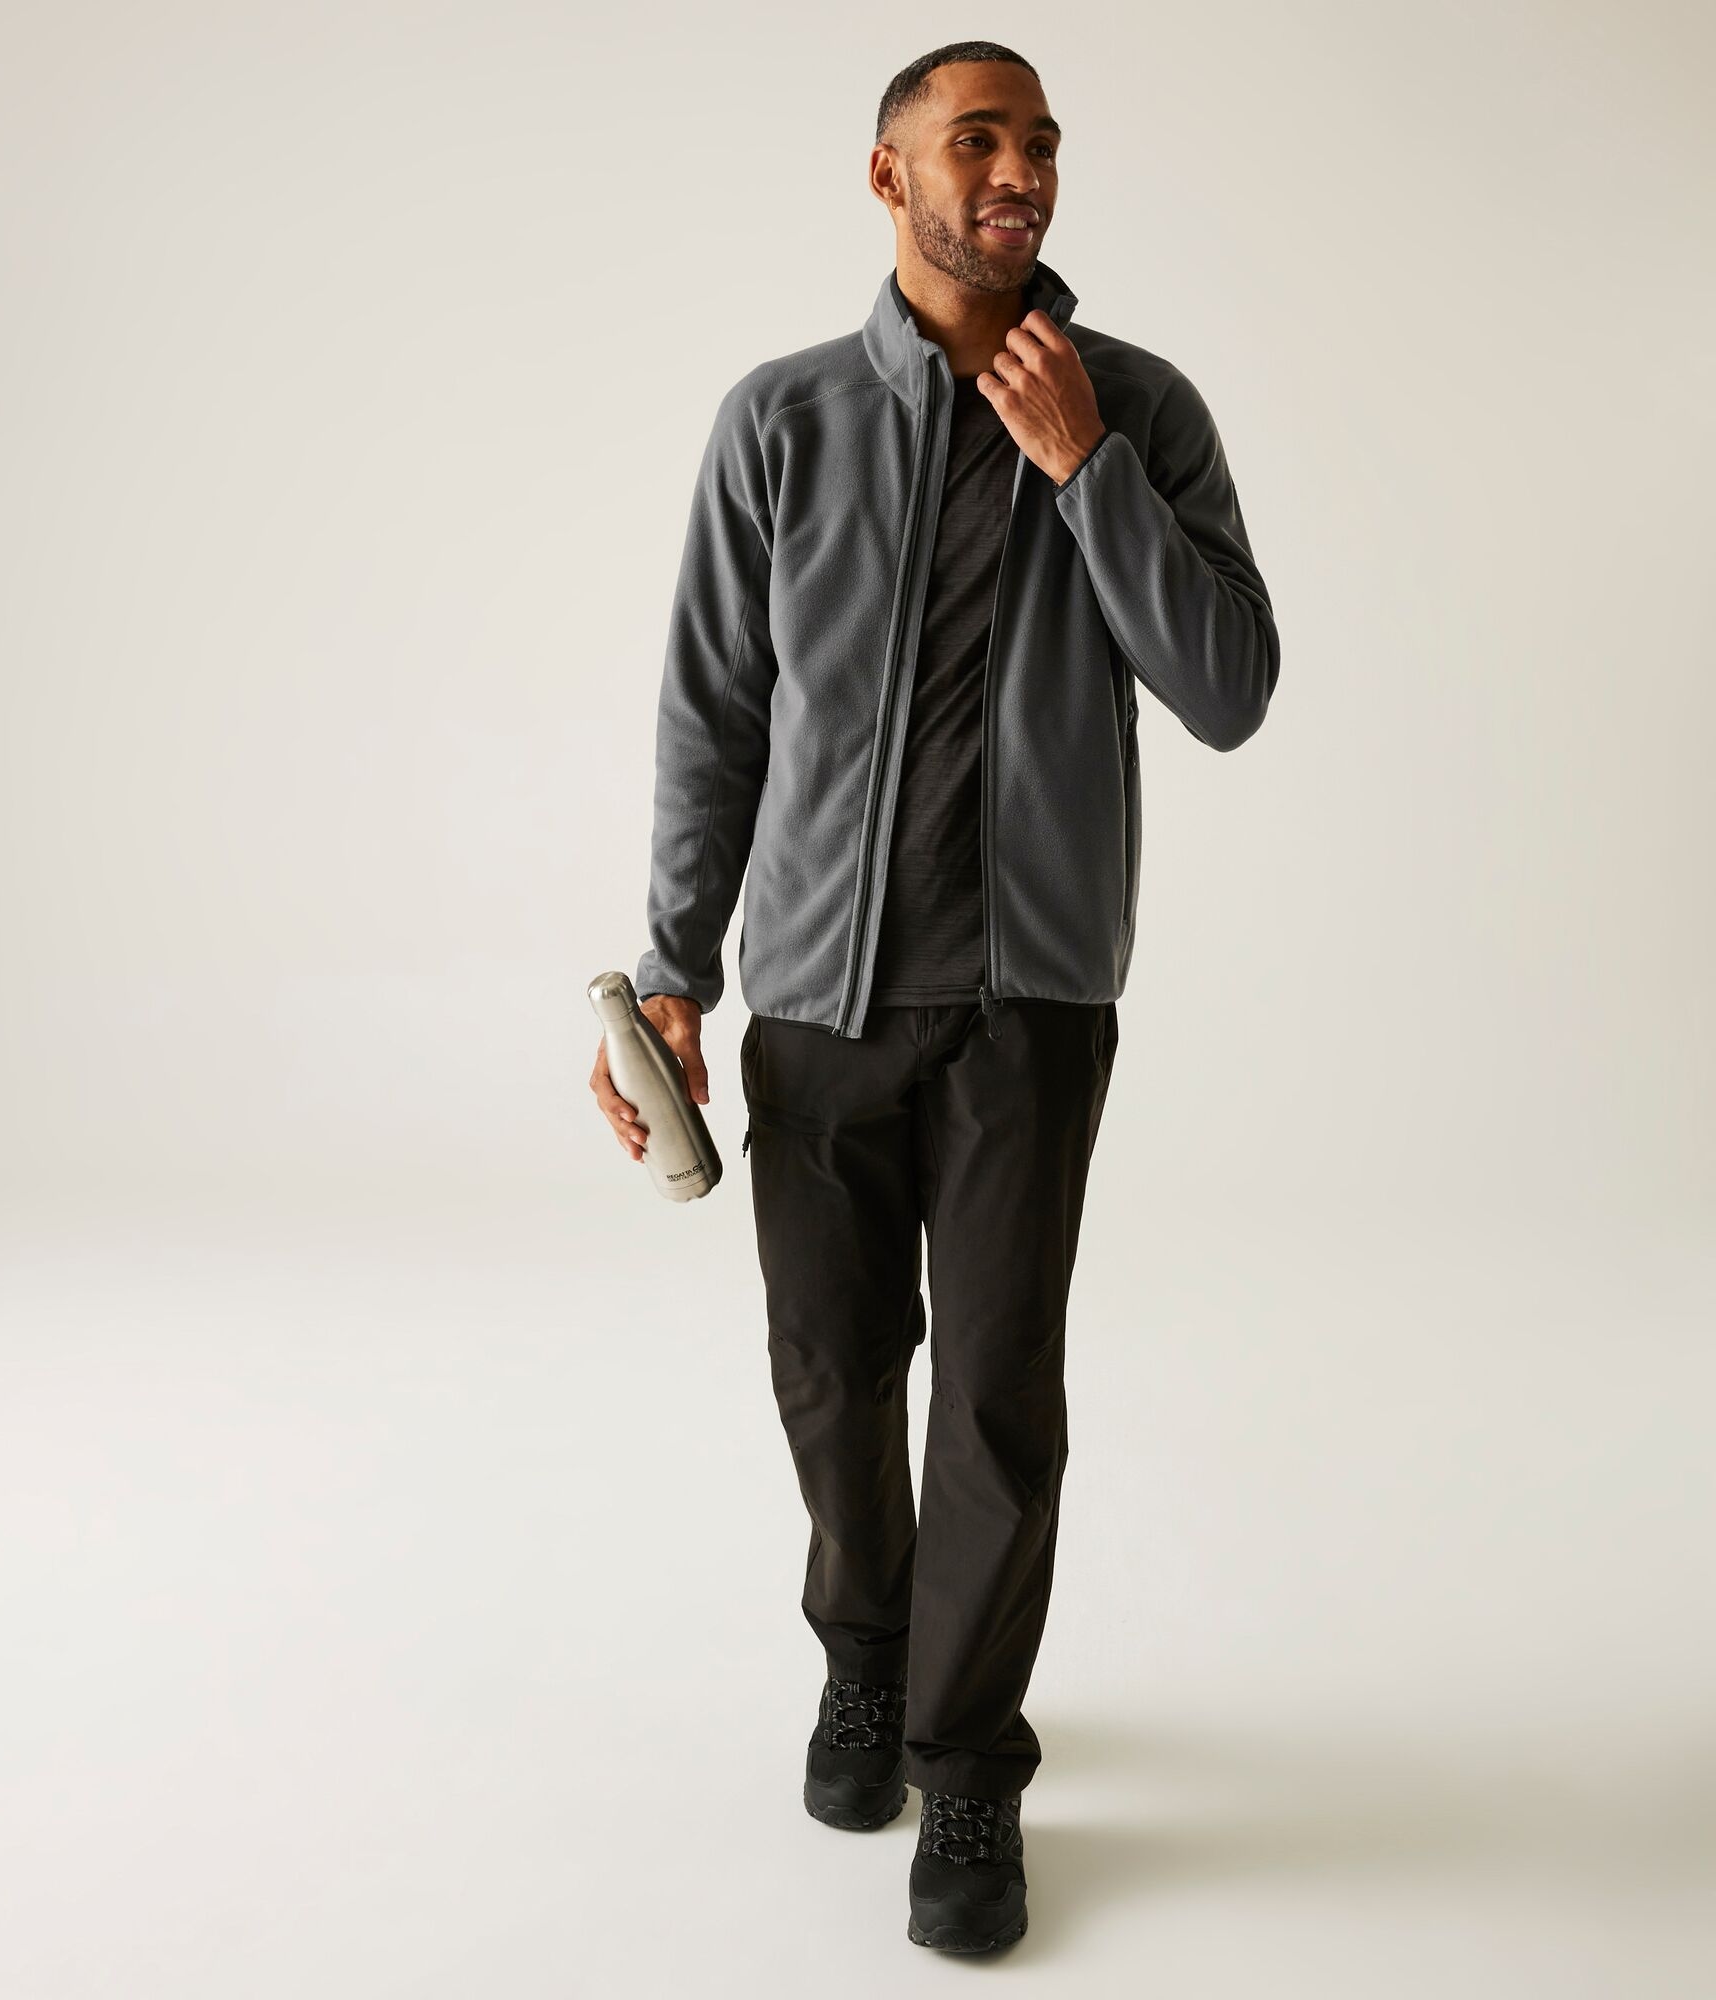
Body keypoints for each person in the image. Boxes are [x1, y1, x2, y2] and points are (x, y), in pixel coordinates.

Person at [589, 39, 1279, 1954]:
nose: (1020, 170)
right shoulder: (784, 420)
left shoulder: (1138, 408)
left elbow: (1229, 687)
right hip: (817, 1000)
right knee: (830, 1371)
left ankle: (970, 1767)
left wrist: (1089, 473)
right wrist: (673, 972)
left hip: (1026, 1008)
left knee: (992, 1400)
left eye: (1040, 141)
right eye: (978, 139)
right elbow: (714, 716)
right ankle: (868, 1656)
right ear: (888, 174)